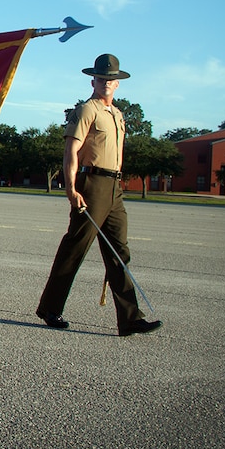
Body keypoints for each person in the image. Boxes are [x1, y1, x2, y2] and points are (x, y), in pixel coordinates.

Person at [36, 54, 162, 336]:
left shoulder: (117, 115)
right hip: (91, 183)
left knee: (119, 252)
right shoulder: (86, 110)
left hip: (114, 187)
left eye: (111, 79)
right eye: (102, 78)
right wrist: (71, 188)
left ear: (118, 84)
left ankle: (130, 319)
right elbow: (72, 151)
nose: (106, 83)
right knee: (75, 248)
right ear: (93, 80)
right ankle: (50, 308)